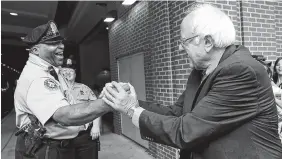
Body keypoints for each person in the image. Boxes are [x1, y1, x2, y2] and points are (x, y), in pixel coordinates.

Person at [101, 2, 282, 159]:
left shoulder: (241, 71)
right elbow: (178, 112)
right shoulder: (201, 71)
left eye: (184, 41)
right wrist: (133, 103)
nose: (180, 48)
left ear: (208, 42)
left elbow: (185, 131)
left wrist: (131, 110)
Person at [14, 20, 111, 159]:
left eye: (60, 42)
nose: (61, 47)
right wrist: (109, 101)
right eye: (53, 43)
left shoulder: (53, 71)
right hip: (44, 148)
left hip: (61, 145)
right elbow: (64, 116)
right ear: (35, 50)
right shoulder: (38, 78)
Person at [60, 58, 101, 159]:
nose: (67, 73)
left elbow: (96, 108)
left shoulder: (84, 88)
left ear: (75, 73)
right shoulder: (55, 90)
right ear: (60, 73)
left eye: (71, 70)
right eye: (64, 70)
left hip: (84, 135)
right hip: (62, 136)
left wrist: (96, 126)